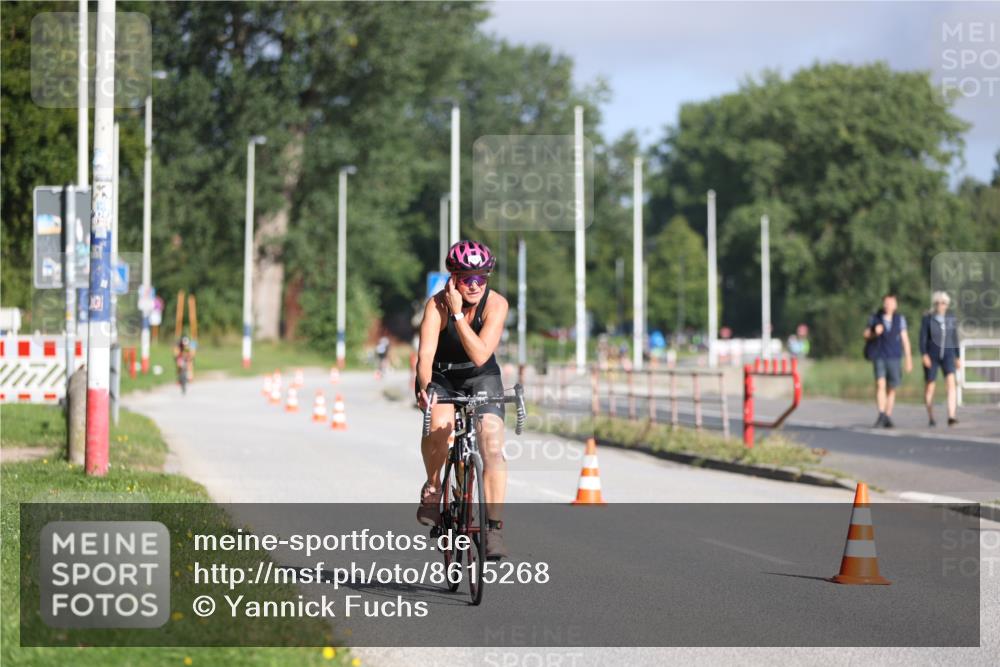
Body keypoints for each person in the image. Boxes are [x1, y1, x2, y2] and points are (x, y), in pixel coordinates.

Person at [414, 240, 510, 559]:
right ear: (452, 278)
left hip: (481, 375)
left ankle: (493, 530)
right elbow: (425, 355)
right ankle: (432, 488)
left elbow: (482, 354)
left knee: (492, 446)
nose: (473, 285)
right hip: (442, 375)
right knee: (439, 427)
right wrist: (426, 388)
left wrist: (458, 315)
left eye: (480, 278)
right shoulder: (435, 305)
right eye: (466, 277)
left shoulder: (496, 305)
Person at [863, 292, 913, 428]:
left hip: (894, 356)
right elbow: (865, 334)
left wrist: (909, 359)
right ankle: (881, 413)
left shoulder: (900, 319)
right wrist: (874, 333)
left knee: (892, 388)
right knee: (880, 384)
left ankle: (887, 415)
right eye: (886, 302)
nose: (888, 305)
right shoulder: (875, 318)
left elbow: (905, 340)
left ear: (895, 305)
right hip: (879, 355)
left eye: (890, 302)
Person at [919, 291, 962, 427]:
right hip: (932, 355)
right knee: (930, 386)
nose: (940, 305)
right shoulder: (928, 319)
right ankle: (931, 417)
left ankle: (951, 415)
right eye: (938, 303)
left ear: (947, 305)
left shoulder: (951, 319)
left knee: (951, 384)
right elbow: (923, 338)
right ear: (934, 304)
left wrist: (958, 356)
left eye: (943, 303)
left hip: (948, 354)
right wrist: (924, 354)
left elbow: (955, 338)